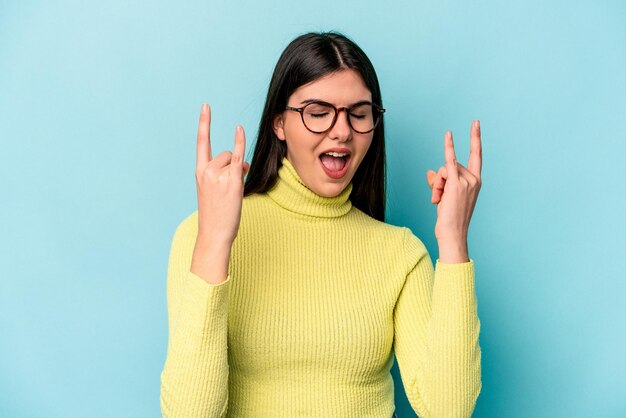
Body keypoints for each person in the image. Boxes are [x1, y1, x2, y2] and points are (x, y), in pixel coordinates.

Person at [160, 32, 482, 418]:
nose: (342, 131)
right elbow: (189, 413)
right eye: (318, 113)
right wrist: (214, 241)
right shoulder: (202, 234)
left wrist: (453, 244)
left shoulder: (401, 253)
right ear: (279, 123)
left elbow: (449, 409)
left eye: (359, 114)